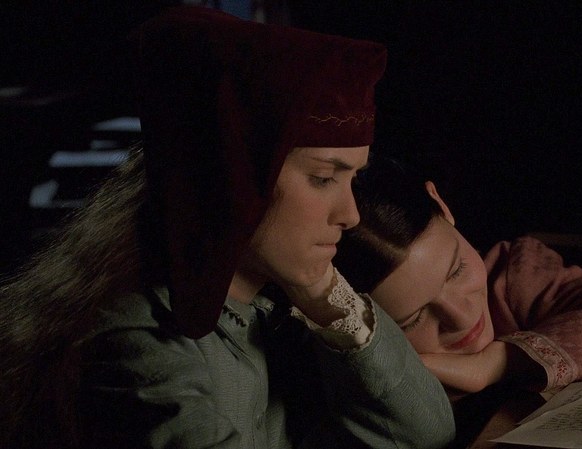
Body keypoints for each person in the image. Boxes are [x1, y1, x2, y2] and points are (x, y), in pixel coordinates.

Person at [0, 6, 454, 449]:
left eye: (352, 179)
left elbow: (426, 431)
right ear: (236, 179)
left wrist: (322, 292)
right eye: (323, 178)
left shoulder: (276, 310)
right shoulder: (141, 342)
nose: (351, 215)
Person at [334, 156, 582, 395]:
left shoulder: (511, 278)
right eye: (413, 319)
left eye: (457, 269)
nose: (462, 316)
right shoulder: (349, 359)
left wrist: (497, 363)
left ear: (442, 204)